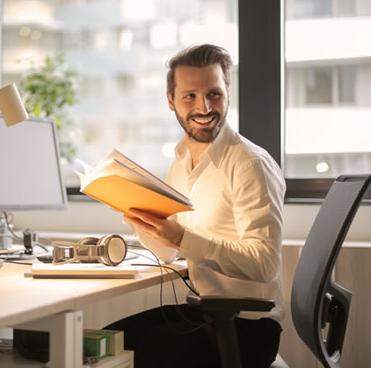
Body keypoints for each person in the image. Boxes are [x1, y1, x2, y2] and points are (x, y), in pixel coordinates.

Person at [106, 44, 286, 368]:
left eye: (214, 94)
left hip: (247, 330)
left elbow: (264, 264)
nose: (204, 107)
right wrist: (136, 215)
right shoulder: (181, 161)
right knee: (103, 341)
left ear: (228, 94)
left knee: (107, 357)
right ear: (170, 100)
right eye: (190, 96)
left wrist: (180, 238)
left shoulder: (249, 164)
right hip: (205, 314)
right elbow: (168, 254)